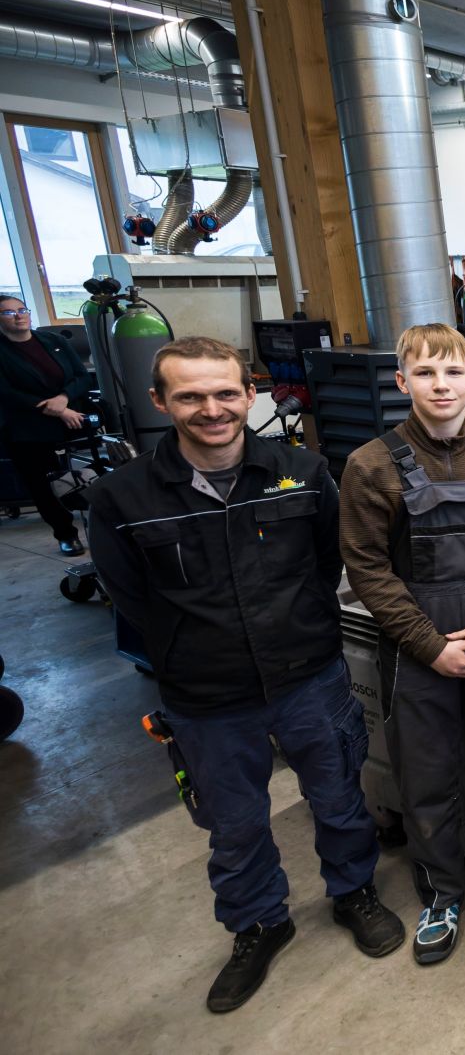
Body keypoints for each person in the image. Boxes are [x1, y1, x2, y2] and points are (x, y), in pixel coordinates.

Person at [86, 337, 404, 1013]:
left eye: (226, 392)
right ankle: (259, 920)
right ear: (160, 401)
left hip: (308, 677)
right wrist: (196, 650)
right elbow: (130, 598)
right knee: (233, 825)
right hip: (206, 699)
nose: (212, 408)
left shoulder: (302, 470)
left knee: (340, 797)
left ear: (249, 392)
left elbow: (327, 563)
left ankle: (354, 891)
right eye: (191, 395)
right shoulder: (123, 497)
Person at [339, 322, 465, 964]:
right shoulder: (370, 465)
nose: (441, 384)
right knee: (427, 773)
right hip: (417, 647)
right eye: (425, 373)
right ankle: (441, 891)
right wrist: (432, 646)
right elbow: (368, 569)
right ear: (403, 382)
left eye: (453, 371)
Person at [0, 295, 93, 555]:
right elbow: (7, 393)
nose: (18, 316)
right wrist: (57, 410)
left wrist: (63, 400)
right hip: (26, 429)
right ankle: (66, 535)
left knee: (83, 477)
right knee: (43, 486)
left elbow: (81, 376)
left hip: (71, 419)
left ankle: (100, 526)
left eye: (21, 309)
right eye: (8, 313)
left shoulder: (55, 342)